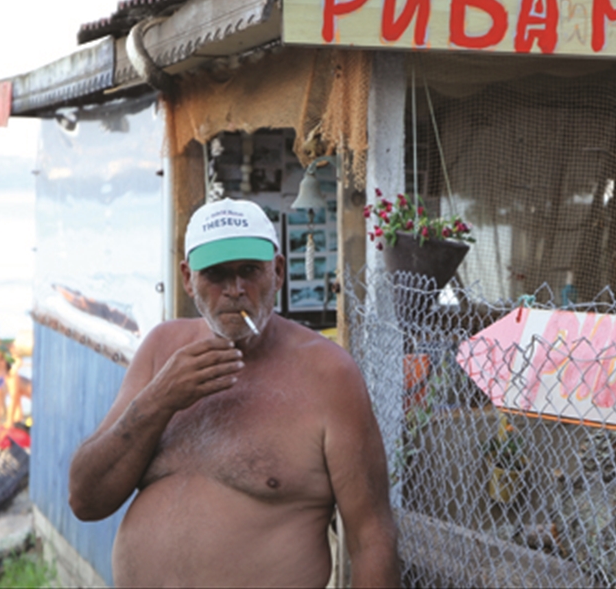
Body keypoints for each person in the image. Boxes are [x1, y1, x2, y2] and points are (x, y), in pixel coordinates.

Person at [68, 198, 400, 588]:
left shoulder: (328, 373)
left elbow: (371, 537)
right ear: (188, 278)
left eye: (249, 271)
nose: (235, 290)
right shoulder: (163, 348)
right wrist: (160, 400)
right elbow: (85, 499)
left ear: (277, 271)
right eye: (216, 274)